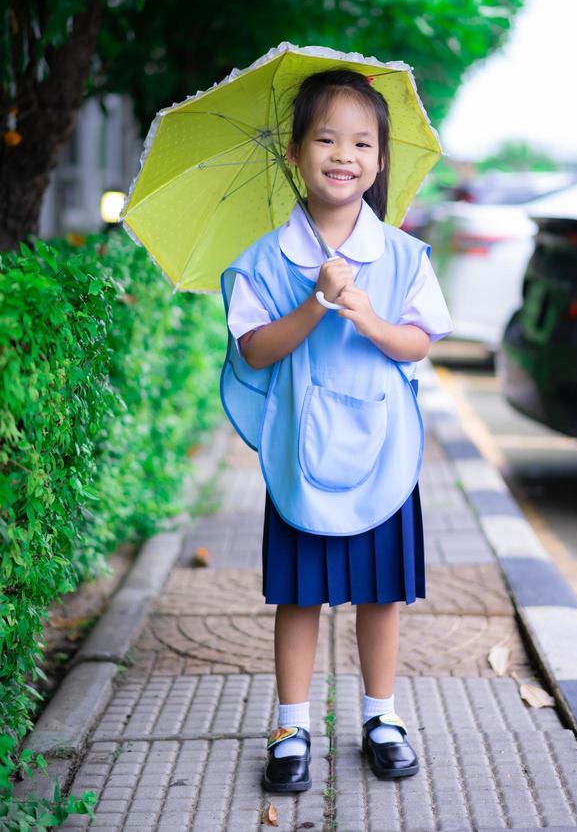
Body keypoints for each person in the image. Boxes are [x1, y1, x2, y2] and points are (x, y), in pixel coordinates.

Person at [220, 68, 452, 794]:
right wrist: (315, 304)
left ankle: (382, 716)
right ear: (294, 152)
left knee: (381, 593)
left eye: (361, 142)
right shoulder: (266, 259)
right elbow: (253, 348)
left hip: (383, 452)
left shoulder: (405, 257)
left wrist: (373, 321)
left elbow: (419, 341)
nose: (343, 154)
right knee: (300, 594)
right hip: (302, 451)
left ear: (381, 161)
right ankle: (292, 723)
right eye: (325, 138)